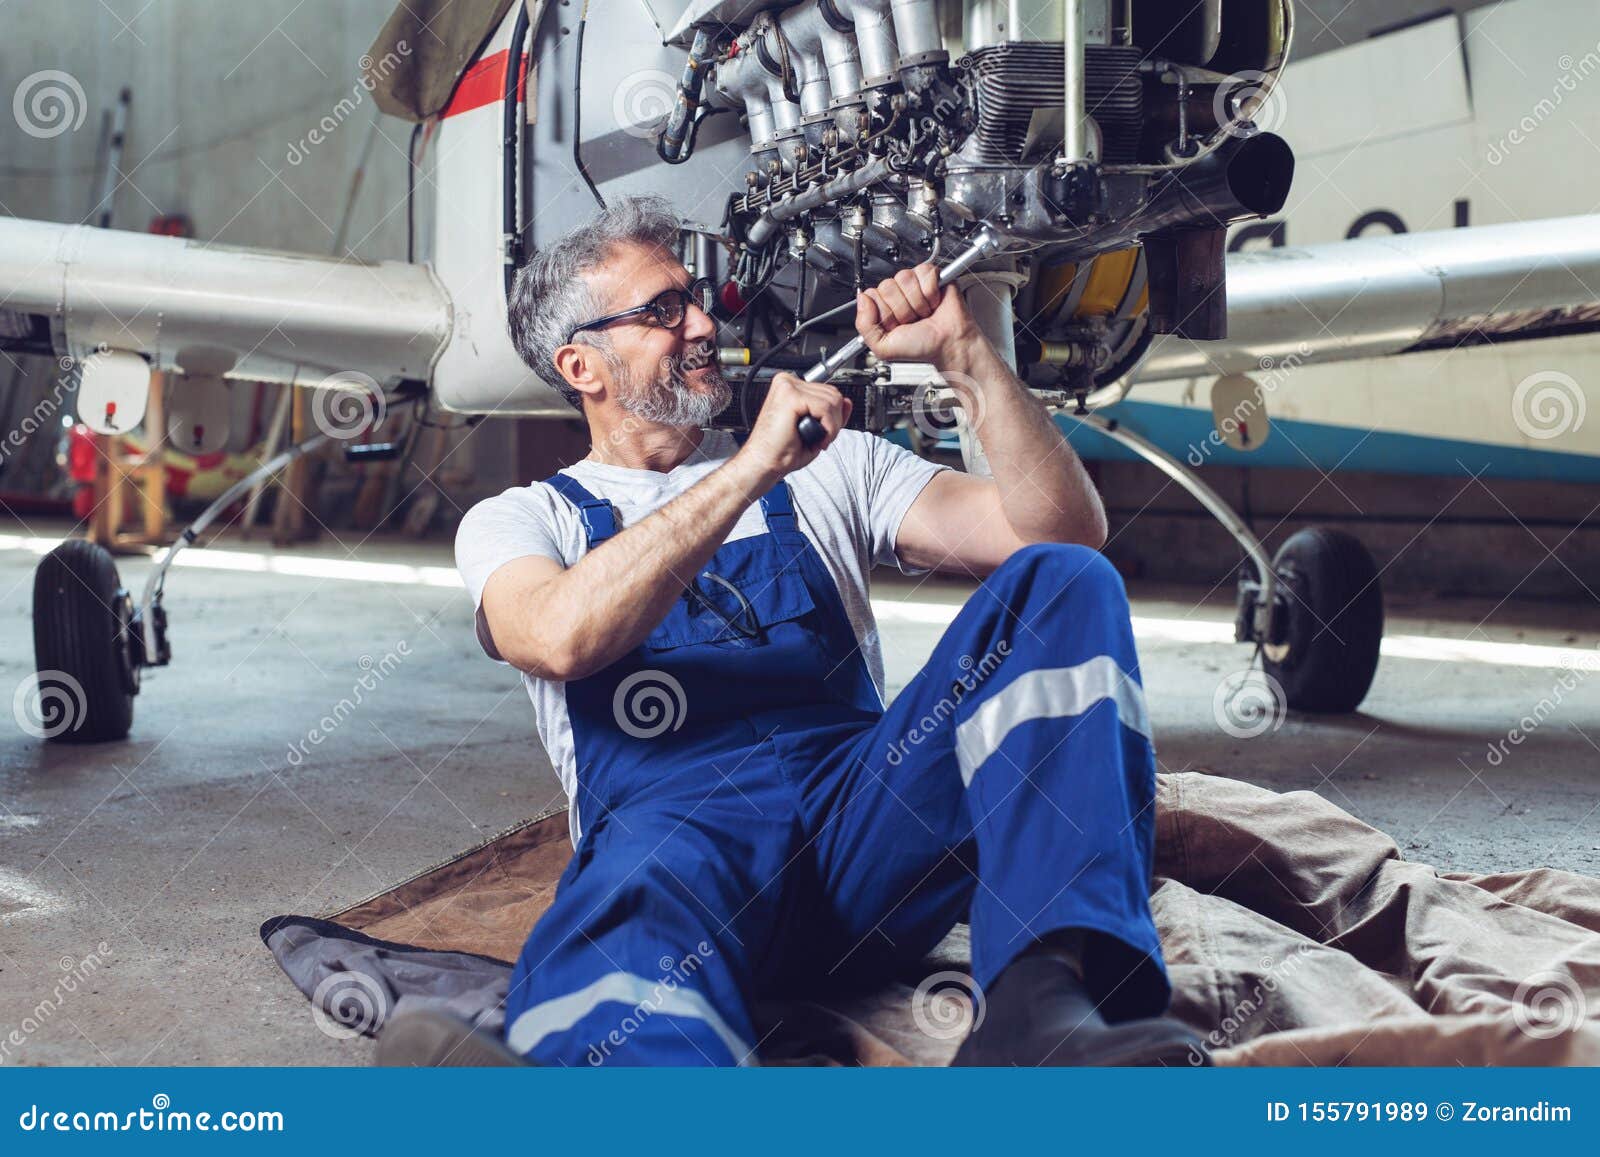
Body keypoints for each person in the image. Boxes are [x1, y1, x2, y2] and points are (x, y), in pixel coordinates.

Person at [383, 194, 1206, 1067]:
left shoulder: (829, 466)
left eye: (693, 297)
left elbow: (1059, 532)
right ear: (581, 365)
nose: (702, 323)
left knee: (1065, 583)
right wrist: (749, 467)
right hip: (683, 849)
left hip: (867, 830)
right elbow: (555, 635)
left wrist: (968, 359)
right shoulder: (523, 519)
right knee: (632, 892)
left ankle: (1045, 1012)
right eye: (661, 311)